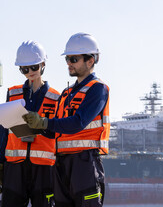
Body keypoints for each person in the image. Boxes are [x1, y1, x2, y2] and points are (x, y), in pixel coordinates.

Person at [23, 33, 110, 207]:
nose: (69, 63)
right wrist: (34, 126)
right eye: (67, 59)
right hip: (61, 164)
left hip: (84, 164)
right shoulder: (66, 93)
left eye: (73, 59)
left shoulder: (97, 89)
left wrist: (44, 122)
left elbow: (78, 122)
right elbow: (56, 129)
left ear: (90, 61)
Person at [0, 40, 60, 207]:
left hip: (45, 170)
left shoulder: (57, 98)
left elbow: (59, 134)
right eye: (24, 69)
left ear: (43, 64)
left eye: (34, 67)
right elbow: (4, 130)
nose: (30, 72)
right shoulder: (13, 93)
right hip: (15, 168)